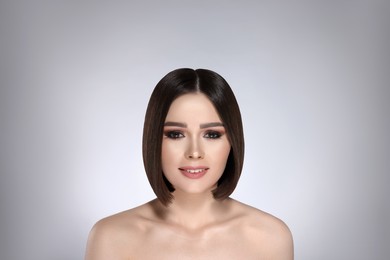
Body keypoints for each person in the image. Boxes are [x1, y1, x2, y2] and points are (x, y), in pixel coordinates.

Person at [85, 68, 294, 259]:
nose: (194, 152)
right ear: (154, 141)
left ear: (233, 141)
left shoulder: (271, 238)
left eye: (212, 134)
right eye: (176, 134)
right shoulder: (110, 238)